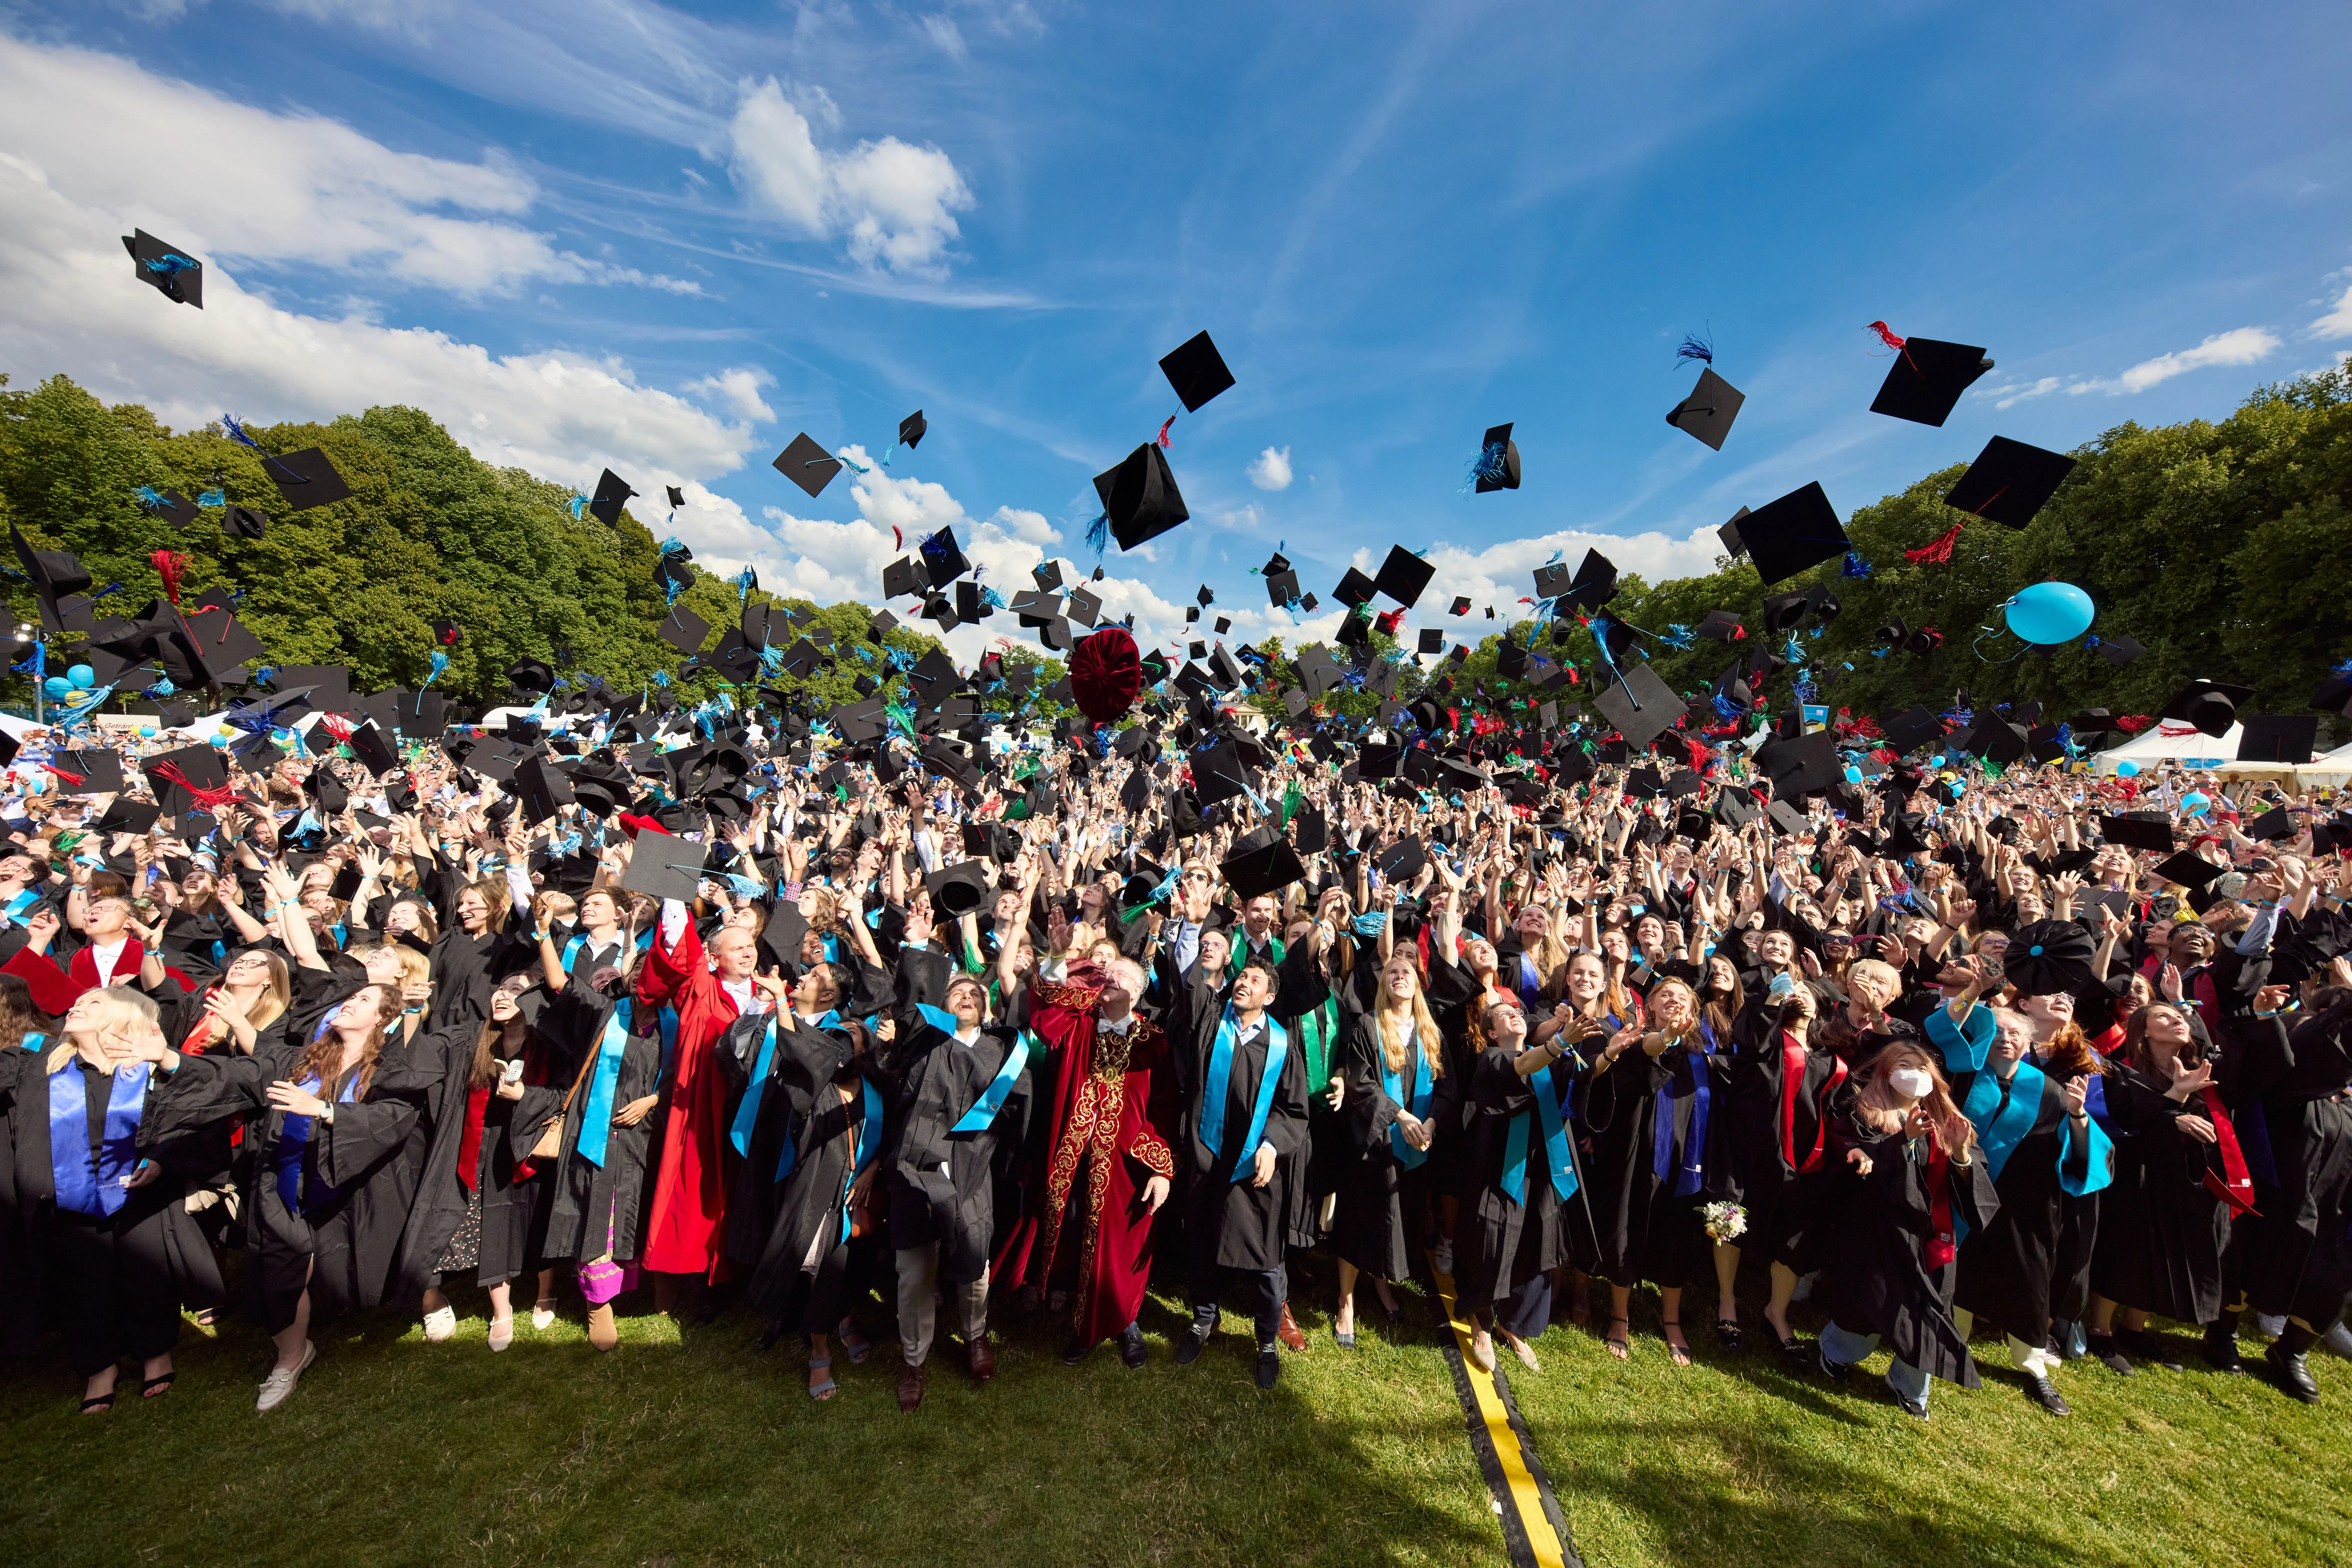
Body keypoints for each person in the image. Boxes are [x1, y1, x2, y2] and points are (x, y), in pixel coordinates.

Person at [137, 982, 429, 1411]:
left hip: (348, 1183)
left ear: (384, 1019)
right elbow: (240, 1073)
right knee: (280, 1268)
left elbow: (396, 1114)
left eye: (363, 1000)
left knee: (334, 1265)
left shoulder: (390, 1065)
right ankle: (291, 1357)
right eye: (349, 997)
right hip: (283, 1179)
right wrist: (168, 1058)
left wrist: (326, 1112)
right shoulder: (304, 1059)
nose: (349, 1002)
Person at [0, 987, 220, 1412]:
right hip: (67, 1194)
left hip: (140, 1193)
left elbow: (191, 1119)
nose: (76, 1006)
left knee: (146, 1276)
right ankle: (99, 1367)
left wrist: (162, 1159)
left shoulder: (151, 1067)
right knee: (81, 1285)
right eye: (76, 1003)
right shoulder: (39, 1066)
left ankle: (155, 1352)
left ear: (122, 1017)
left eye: (92, 1003)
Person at [1925, 963, 2114, 1416]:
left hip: (2028, 1208)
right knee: (1960, 1271)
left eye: (2016, 1033)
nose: (2006, 1038)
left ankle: (2033, 1366)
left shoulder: (2050, 1090)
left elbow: (2083, 1158)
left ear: (2030, 1044)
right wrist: (1976, 988)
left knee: (2029, 1284)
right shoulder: (1964, 1074)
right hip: (1966, 1193)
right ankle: (1950, 1342)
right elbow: (1941, 1025)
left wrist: (2078, 1117)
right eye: (1998, 1030)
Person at [994, 955, 1174, 1370]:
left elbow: (1166, 1108)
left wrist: (1162, 1168)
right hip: (1071, 1157)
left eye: (1123, 976)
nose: (1112, 979)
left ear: (1139, 992)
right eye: (1110, 974)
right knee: (1072, 1229)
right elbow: (1045, 1009)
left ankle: (1124, 1321)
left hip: (1125, 1165)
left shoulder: (1153, 1042)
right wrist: (1058, 958)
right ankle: (1081, 1320)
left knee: (1120, 1246)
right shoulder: (1081, 1025)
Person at [1816, 1039, 1997, 1419]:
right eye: (1904, 1065)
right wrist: (1905, 1140)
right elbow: (1861, 1163)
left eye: (1921, 1068)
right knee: (1869, 1304)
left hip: (1933, 1239)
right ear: (1885, 1071)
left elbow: (1968, 1178)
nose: (1915, 1075)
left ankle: (1910, 1385)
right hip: (1879, 1234)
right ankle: (1834, 1352)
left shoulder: (1946, 1119)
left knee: (1929, 1312)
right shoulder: (1861, 1112)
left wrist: (1962, 1151)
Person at [886, 966, 1032, 1408]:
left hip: (972, 1169)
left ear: (987, 1010)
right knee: (913, 1272)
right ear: (942, 1007)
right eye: (956, 994)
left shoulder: (1002, 1052)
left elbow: (1017, 1116)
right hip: (915, 1168)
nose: (966, 997)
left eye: (974, 993)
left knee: (974, 1262)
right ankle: (914, 1359)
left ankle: (975, 1336)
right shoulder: (923, 1043)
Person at [1453, 992, 1594, 1373]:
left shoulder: (1548, 1058)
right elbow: (1522, 1066)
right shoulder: (1492, 1058)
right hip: (1498, 1168)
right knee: (1493, 1241)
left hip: (1542, 1165)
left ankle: (1513, 1325)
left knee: (1537, 1242)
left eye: (1516, 1012)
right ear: (1490, 1032)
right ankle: (1481, 1322)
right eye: (1503, 1015)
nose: (1513, 1017)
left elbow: (1579, 1078)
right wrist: (1559, 1042)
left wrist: (1609, 1053)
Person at [1330, 950, 1444, 1344]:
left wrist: (1429, 1121)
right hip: (1374, 1142)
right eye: (1392, 972)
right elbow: (1361, 1083)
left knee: (1395, 1220)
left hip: (1417, 1144)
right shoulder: (1368, 1026)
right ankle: (1346, 1299)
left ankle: (1381, 1284)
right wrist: (1400, 1116)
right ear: (1384, 985)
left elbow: (1446, 1088)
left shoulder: (1431, 1032)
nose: (1399, 976)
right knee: (1360, 1217)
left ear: (1417, 985)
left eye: (1406, 972)